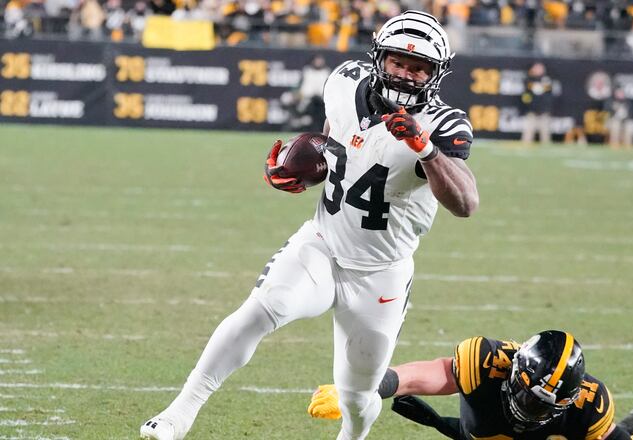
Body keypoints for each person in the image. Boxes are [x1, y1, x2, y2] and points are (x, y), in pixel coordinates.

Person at [139, 9, 479, 440]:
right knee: (261, 309)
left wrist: (425, 149)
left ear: (436, 74)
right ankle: (178, 414)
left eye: (419, 68)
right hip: (323, 243)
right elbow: (336, 145)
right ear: (379, 58)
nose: (406, 75)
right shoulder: (345, 82)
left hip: (381, 272)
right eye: (398, 62)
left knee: (357, 393)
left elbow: (466, 203)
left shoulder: (443, 124)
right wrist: (300, 171)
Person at [309, 330, 633, 440]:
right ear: (514, 374)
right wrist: (371, 389)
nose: (532, 407)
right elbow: (435, 373)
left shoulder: (587, 403)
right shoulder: (487, 362)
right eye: (529, 396)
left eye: (545, 403)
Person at [521, 62, 553, 146]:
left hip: (543, 110)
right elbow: (526, 95)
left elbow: (548, 93)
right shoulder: (528, 79)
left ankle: (546, 149)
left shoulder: (546, 79)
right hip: (531, 110)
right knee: (528, 132)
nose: (538, 70)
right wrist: (529, 105)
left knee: (545, 133)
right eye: (536, 68)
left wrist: (546, 108)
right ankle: (525, 148)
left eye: (540, 68)